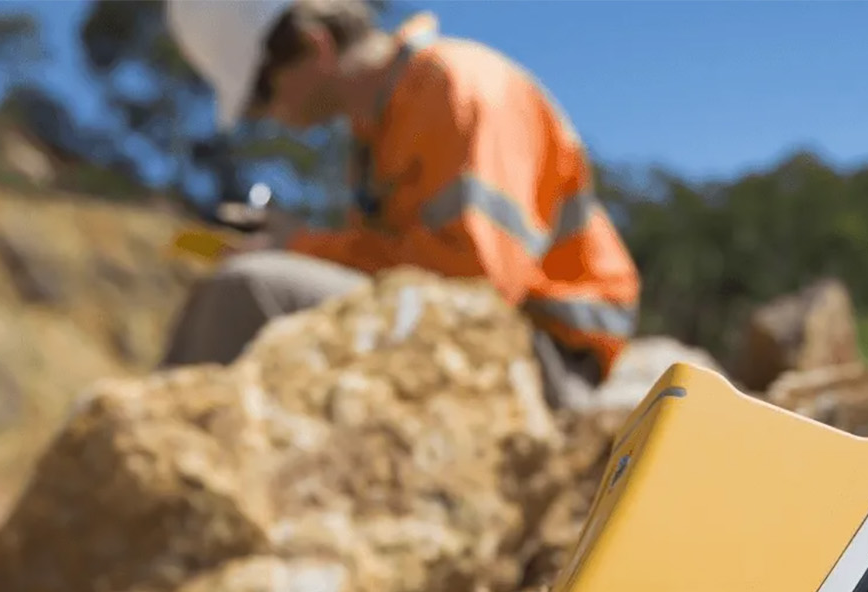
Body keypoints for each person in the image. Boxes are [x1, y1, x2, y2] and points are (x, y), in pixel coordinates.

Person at [160, 0, 641, 407]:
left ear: (314, 44)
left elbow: (478, 285)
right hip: (495, 337)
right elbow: (401, 270)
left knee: (246, 290)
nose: (267, 115)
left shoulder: (460, 86)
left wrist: (300, 247)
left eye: (261, 94)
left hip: (549, 356)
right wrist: (299, 246)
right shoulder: (377, 136)